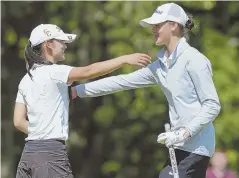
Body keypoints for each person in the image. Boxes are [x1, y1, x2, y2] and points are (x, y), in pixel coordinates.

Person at [73, 3, 221, 178]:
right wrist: (77, 91)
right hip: (180, 146)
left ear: (173, 25)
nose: (153, 29)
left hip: (197, 146)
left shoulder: (194, 60)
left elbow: (212, 105)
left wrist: (185, 132)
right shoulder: (161, 66)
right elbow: (122, 81)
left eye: (158, 25)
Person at [13, 23, 151, 178]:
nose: (65, 45)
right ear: (49, 44)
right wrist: (125, 59)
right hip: (51, 155)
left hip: (29, 154)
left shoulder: (26, 79)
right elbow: (89, 71)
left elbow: (18, 121)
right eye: (62, 42)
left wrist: (40, 133)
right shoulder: (55, 72)